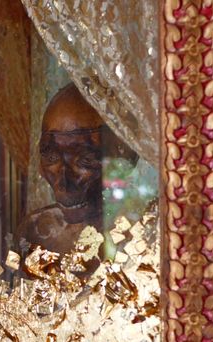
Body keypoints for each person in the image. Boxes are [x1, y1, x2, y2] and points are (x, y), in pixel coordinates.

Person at [14, 83, 138, 256]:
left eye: (85, 160)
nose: (64, 183)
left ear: (126, 158)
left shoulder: (146, 235)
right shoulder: (37, 235)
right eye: (51, 158)